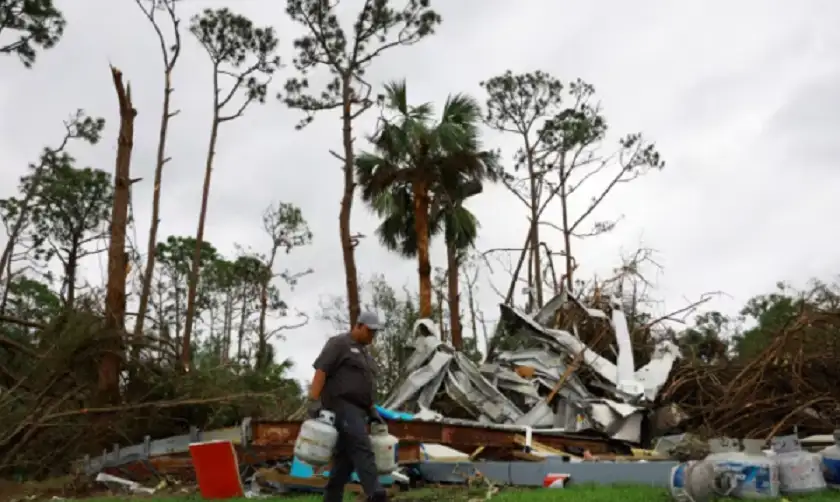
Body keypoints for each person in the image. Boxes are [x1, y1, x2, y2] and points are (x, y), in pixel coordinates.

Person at [306, 311, 389, 502]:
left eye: (375, 333)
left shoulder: (365, 354)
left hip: (359, 410)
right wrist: (314, 400)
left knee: (344, 461)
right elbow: (321, 371)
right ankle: (376, 494)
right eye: (370, 331)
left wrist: (372, 411)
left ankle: (331, 498)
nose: (372, 336)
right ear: (358, 326)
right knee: (362, 446)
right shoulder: (339, 344)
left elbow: (364, 387)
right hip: (341, 405)